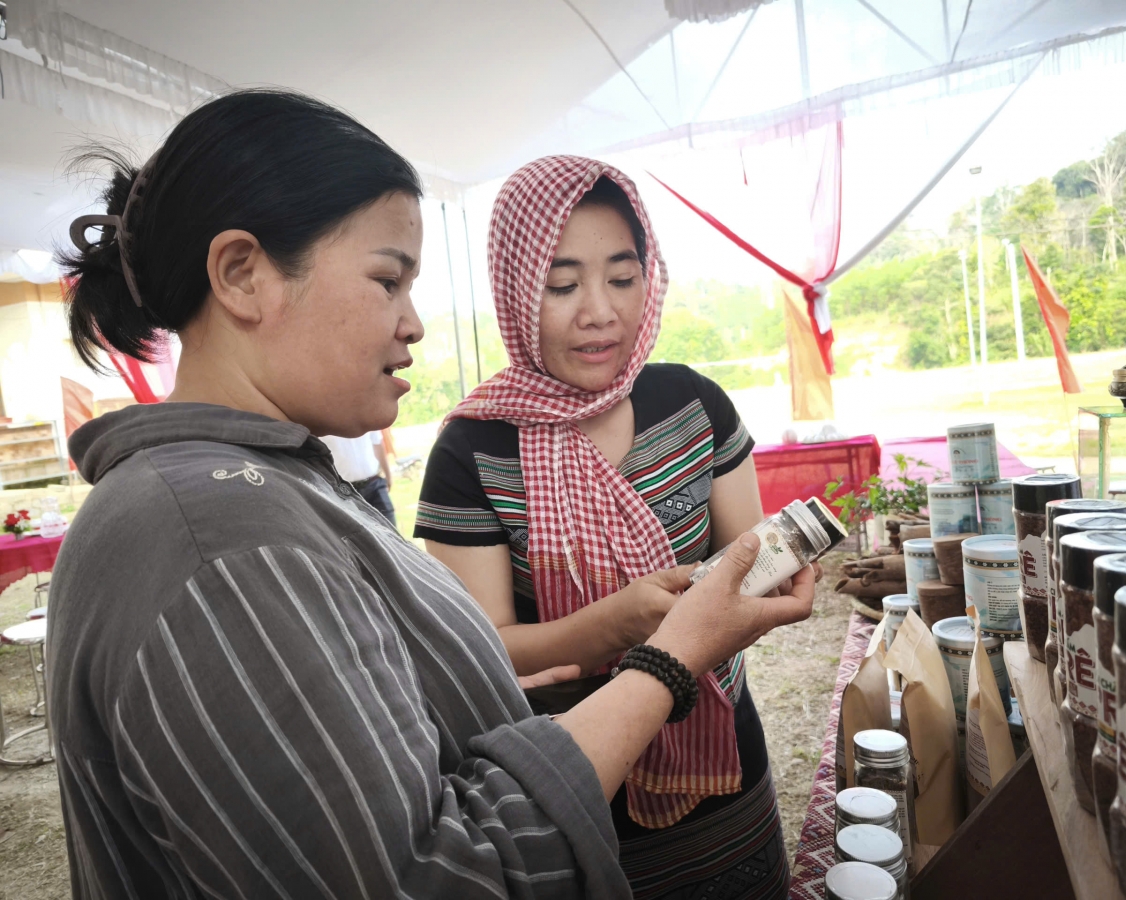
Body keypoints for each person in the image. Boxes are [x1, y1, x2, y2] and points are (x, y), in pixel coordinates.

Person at [47, 89, 817, 900]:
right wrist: (668, 658)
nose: (414, 324)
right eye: (388, 280)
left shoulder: (266, 491)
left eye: (625, 277)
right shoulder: (226, 543)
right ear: (243, 275)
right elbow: (438, 877)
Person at [415, 157, 796, 899]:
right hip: (575, 772)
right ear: (516, 291)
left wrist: (775, 574)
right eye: (561, 285)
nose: (600, 311)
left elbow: (753, 557)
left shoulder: (693, 406)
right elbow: (483, 647)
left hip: (720, 745)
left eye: (623, 278)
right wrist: (610, 626)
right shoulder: (473, 452)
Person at [321, 430, 395, 524]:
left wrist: (388, 476)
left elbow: (377, 444)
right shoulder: (322, 422)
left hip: (374, 485)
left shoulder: (368, 417)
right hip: (344, 492)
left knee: (391, 528)